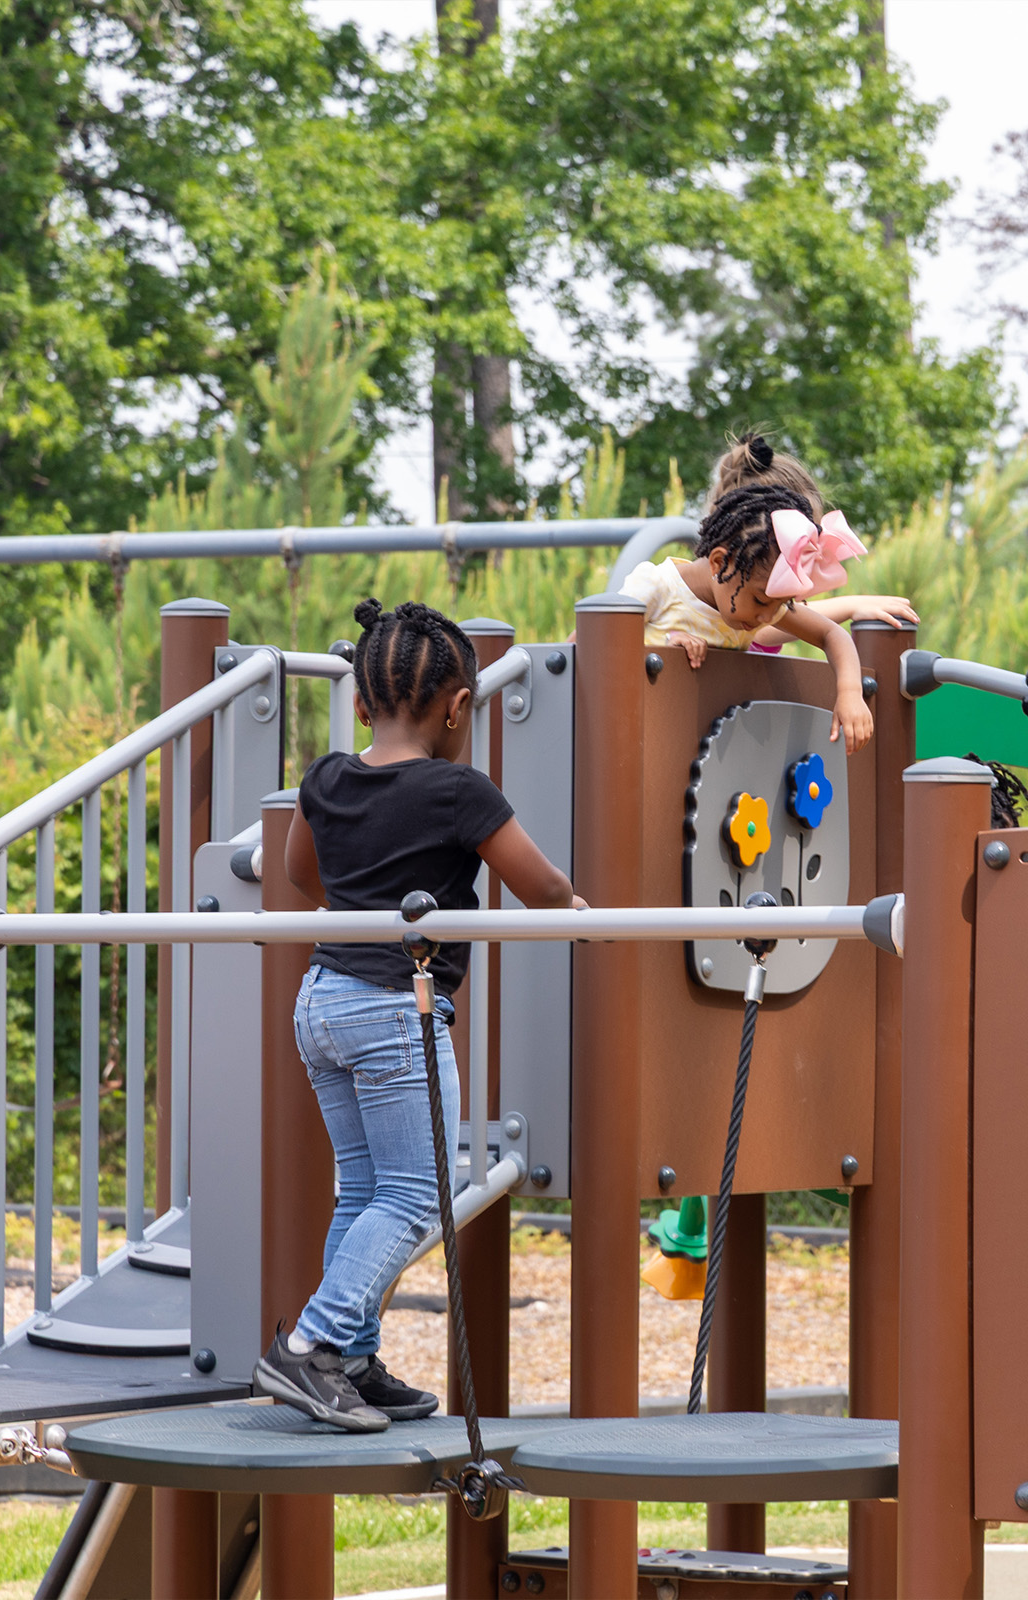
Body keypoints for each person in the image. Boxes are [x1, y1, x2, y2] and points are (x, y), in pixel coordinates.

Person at [256, 598, 583, 1431]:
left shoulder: (326, 777)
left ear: (362, 704)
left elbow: (301, 874)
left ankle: (354, 1360)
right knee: (417, 1194)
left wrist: (365, 917)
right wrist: (579, 910)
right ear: (458, 707)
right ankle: (313, 1347)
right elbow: (538, 884)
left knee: (363, 1187)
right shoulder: (456, 791)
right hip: (394, 1009)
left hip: (323, 999)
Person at [621, 482, 878, 751]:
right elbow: (589, 647)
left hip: (700, 753)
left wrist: (850, 693)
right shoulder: (658, 586)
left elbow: (832, 634)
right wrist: (662, 650)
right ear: (720, 563)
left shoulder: (759, 602)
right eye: (760, 601)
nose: (768, 617)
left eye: (782, 604)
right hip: (639, 748)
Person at [709, 433, 919, 644]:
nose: (771, 612)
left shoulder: (764, 601)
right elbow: (762, 631)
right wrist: (851, 605)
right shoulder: (728, 599)